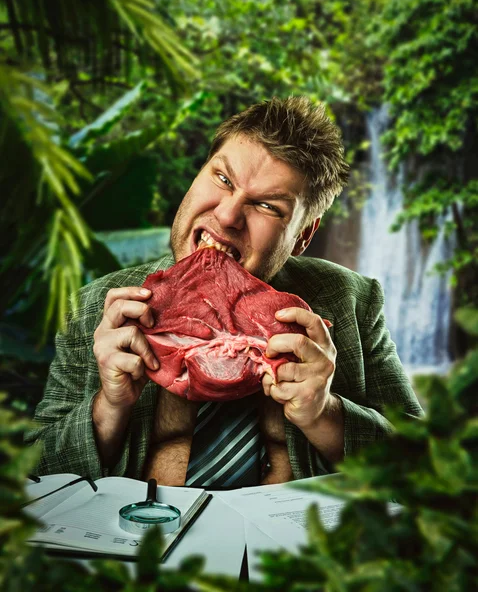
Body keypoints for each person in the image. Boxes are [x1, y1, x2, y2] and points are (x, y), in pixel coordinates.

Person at [26, 97, 423, 487]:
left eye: (268, 206)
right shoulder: (100, 307)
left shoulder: (351, 301)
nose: (228, 215)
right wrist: (109, 408)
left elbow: (430, 471)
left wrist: (325, 414)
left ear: (302, 237)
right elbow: (32, 472)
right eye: (222, 179)